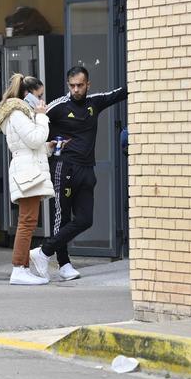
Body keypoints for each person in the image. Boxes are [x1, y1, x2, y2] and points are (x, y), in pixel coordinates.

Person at [30, 66, 128, 281]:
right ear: (68, 85)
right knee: (62, 218)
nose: (76, 89)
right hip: (63, 167)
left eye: (80, 85)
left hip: (86, 169)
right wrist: (48, 143)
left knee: (85, 219)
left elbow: (121, 93)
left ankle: (44, 251)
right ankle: (63, 264)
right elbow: (34, 123)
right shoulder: (58, 106)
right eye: (72, 85)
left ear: (87, 85)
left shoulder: (95, 101)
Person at [0, 74, 53, 285]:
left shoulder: (21, 113)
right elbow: (34, 139)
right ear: (28, 94)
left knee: (29, 220)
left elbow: (31, 144)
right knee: (26, 222)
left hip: (28, 170)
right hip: (27, 173)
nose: (41, 100)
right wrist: (42, 116)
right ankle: (18, 268)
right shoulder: (17, 113)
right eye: (39, 95)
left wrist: (48, 148)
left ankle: (23, 267)